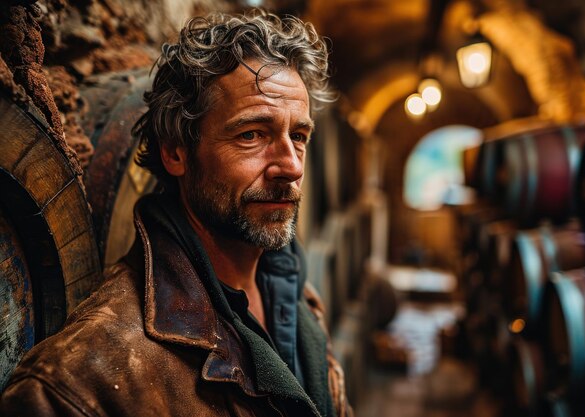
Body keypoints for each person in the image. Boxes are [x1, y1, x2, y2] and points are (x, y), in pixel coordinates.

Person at [1, 10, 351, 417]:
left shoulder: (298, 296)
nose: (291, 166)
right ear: (175, 152)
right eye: (252, 134)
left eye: (299, 135)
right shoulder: (81, 383)